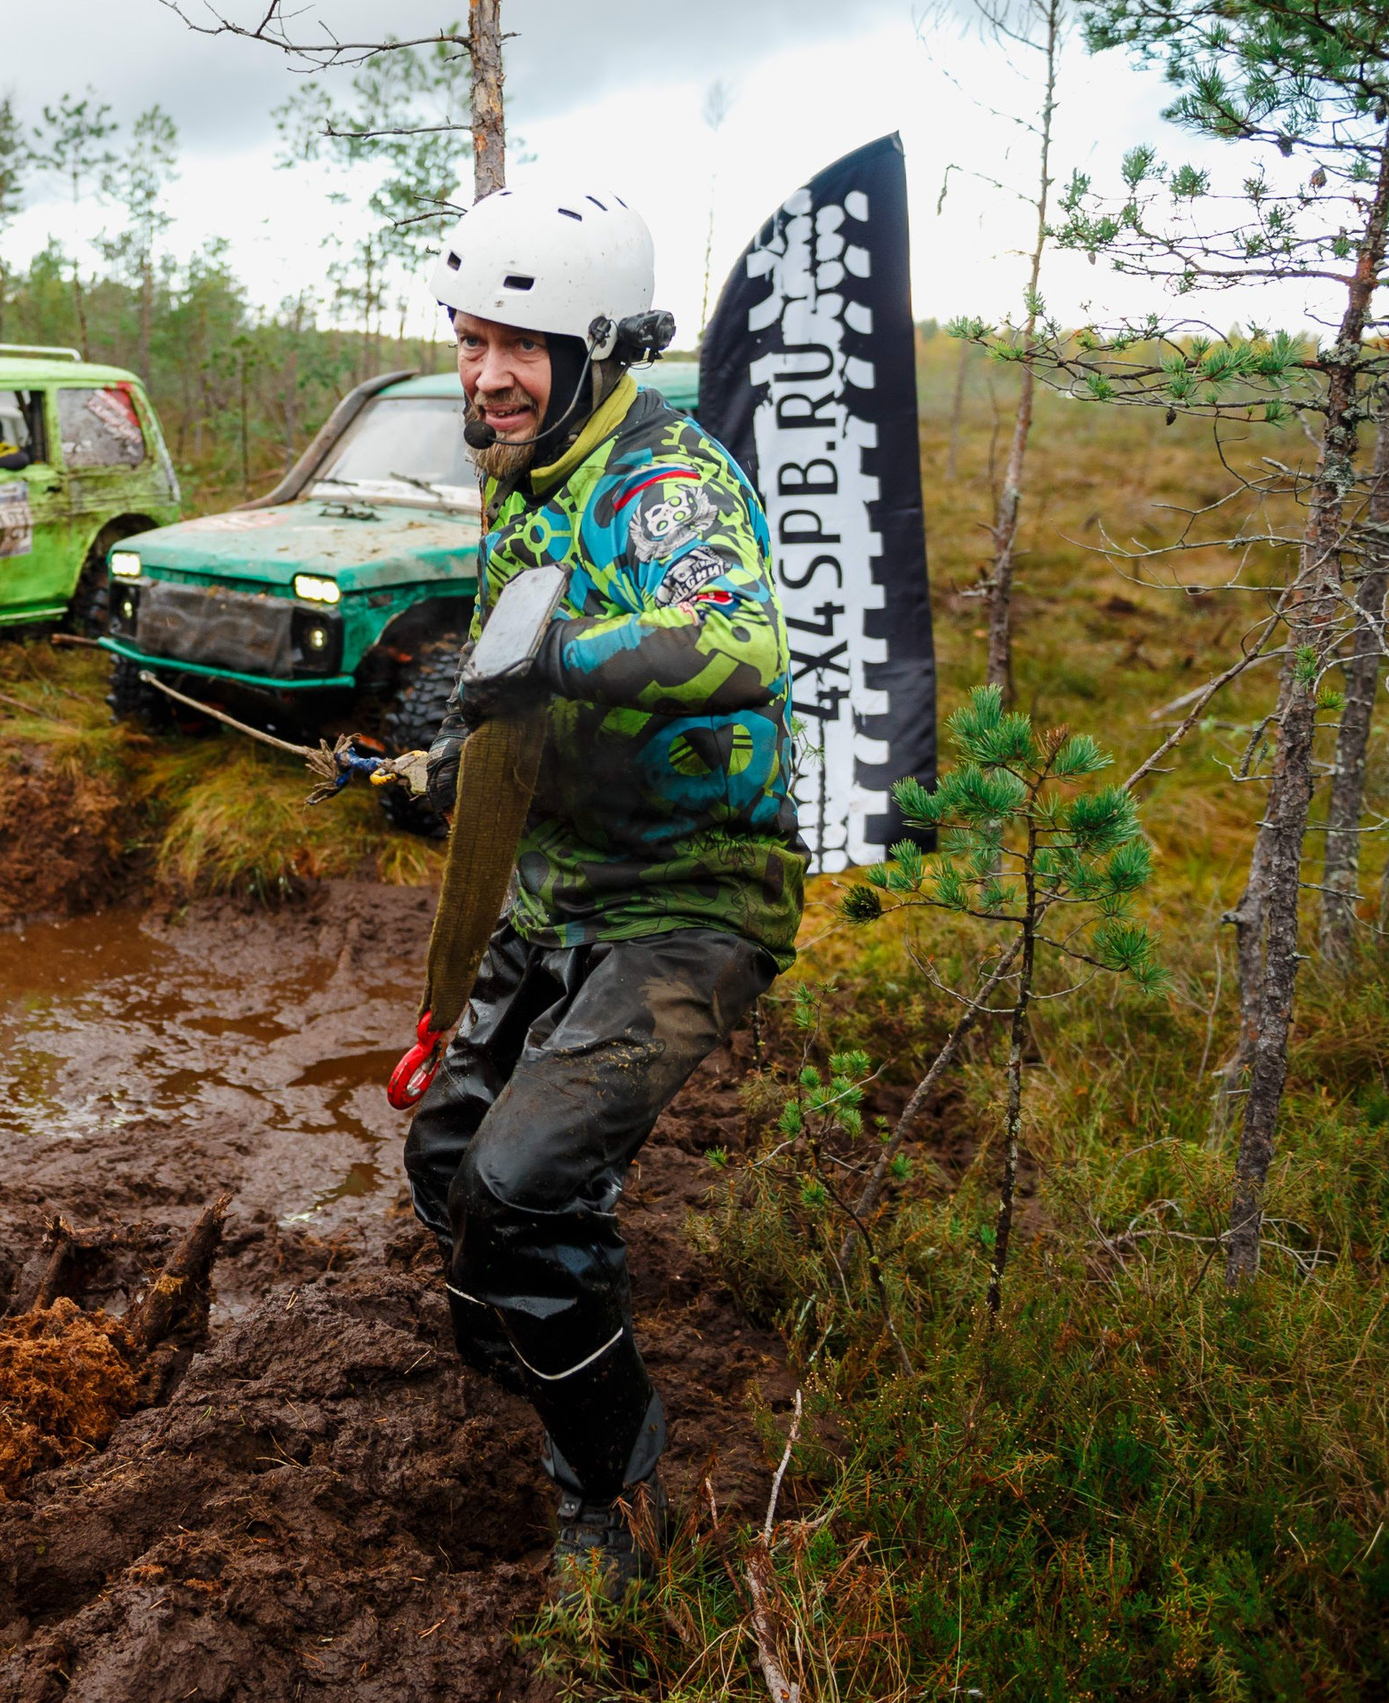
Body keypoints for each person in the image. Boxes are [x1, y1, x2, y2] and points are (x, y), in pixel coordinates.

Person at [401, 187, 805, 1601]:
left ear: (597, 347)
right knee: (446, 1165)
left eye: (520, 345)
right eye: (469, 340)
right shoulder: (530, 466)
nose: (485, 375)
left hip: (691, 895)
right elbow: (512, 690)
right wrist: (434, 765)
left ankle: (616, 1501)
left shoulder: (664, 484)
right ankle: (539, 1338)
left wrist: (562, 654)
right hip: (562, 884)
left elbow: (737, 640)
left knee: (523, 1186)